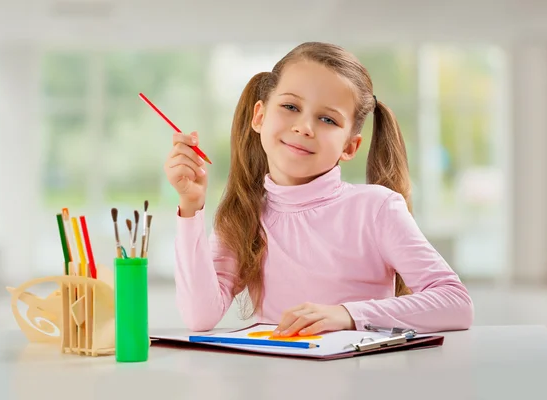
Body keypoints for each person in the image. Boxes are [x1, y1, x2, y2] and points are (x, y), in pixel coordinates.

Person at [164, 41, 474, 336]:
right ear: (260, 116)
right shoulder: (243, 213)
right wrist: (190, 208)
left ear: (350, 146)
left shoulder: (377, 209)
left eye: (327, 119)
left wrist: (347, 315)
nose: (304, 127)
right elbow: (199, 316)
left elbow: (455, 303)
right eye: (290, 106)